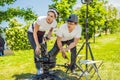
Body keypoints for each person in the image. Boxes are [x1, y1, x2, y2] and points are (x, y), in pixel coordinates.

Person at [27, 8, 59, 76]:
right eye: (48, 15)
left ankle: (46, 69)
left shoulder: (54, 23)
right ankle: (39, 69)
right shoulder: (40, 19)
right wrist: (37, 45)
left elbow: (50, 30)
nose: (49, 17)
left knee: (44, 50)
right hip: (32, 33)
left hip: (41, 34)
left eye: (51, 16)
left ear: (54, 18)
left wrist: (48, 36)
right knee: (37, 50)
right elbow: (35, 32)